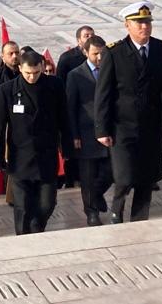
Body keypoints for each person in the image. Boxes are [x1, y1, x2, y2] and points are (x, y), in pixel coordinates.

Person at [94, 2, 162, 223]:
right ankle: (116, 208)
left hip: (151, 124)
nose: (144, 27)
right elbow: (103, 94)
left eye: (147, 22)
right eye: (139, 23)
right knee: (124, 174)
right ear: (127, 25)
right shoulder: (114, 52)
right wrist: (102, 128)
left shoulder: (161, 50)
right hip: (123, 125)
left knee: (146, 175)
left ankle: (140, 218)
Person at [0, 50, 69, 235]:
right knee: (22, 205)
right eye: (28, 73)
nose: (32, 77)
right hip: (20, 158)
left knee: (47, 203)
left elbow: (64, 119)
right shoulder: (7, 90)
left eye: (36, 72)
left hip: (46, 155)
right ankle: (23, 238)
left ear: (42, 67)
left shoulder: (55, 85)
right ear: (20, 69)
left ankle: (36, 227)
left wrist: (66, 148)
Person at [66, 35, 112, 226]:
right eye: (95, 54)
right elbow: (71, 107)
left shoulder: (110, 71)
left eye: (102, 54)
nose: (99, 58)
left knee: (112, 171)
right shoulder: (76, 75)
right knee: (87, 176)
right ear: (85, 52)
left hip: (108, 132)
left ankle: (98, 193)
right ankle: (91, 211)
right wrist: (74, 135)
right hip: (86, 133)